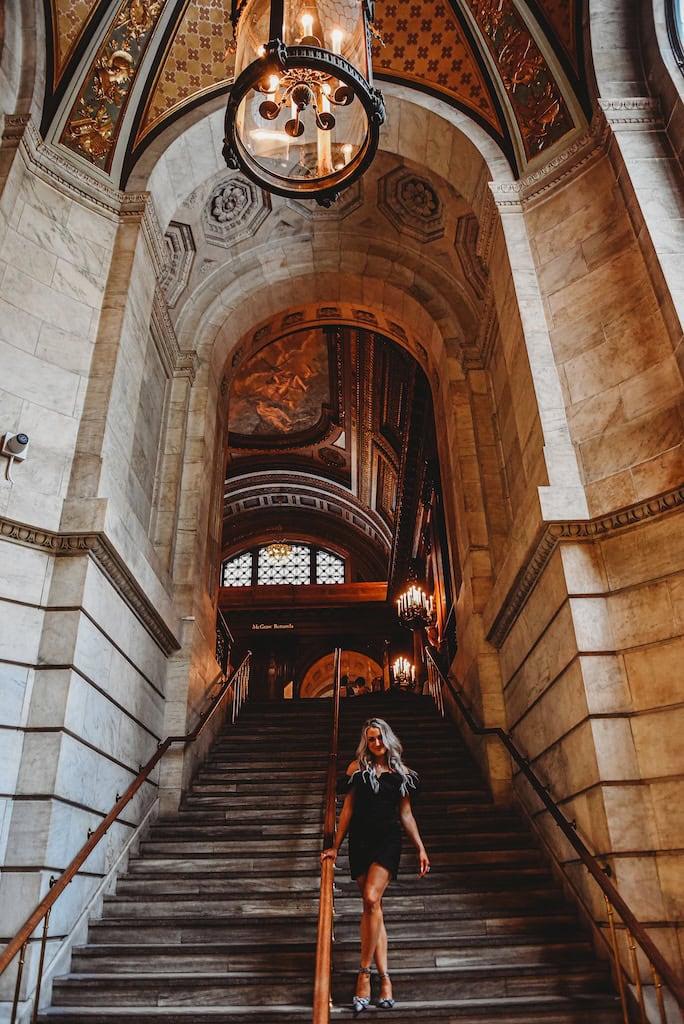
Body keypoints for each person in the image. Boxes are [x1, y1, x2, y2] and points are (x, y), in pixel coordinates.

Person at [320, 718, 430, 1012]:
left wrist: (420, 847)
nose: (377, 743)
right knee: (373, 908)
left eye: (380, 738)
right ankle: (386, 980)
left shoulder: (402, 774)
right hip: (360, 842)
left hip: (388, 840)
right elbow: (348, 810)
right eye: (371, 739)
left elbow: (406, 814)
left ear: (388, 739)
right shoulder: (356, 770)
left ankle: (364, 974)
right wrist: (335, 846)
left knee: (370, 898)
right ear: (365, 742)